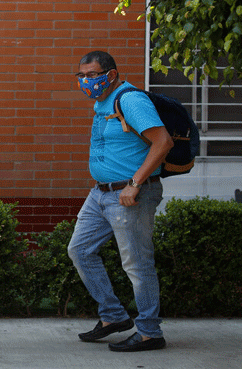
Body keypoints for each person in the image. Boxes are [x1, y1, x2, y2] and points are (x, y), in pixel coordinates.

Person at [68, 51, 173, 352]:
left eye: (92, 75)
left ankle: (150, 333)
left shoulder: (130, 100)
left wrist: (135, 183)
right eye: (82, 76)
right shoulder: (103, 103)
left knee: (138, 265)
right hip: (101, 193)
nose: (87, 81)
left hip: (130, 194)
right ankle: (114, 316)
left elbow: (163, 142)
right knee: (80, 250)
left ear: (111, 75)